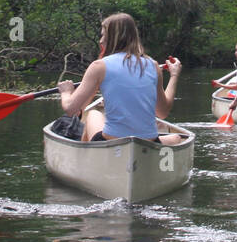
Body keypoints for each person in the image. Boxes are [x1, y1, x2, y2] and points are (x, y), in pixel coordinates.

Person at [57, 12, 184, 145]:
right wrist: (174, 76)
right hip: (149, 142)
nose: (100, 40)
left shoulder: (99, 66)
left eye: (103, 35)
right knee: (176, 138)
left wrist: (66, 92)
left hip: (112, 142)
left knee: (93, 115)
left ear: (112, 37)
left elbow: (72, 109)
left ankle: (84, 156)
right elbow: (162, 112)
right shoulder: (153, 65)